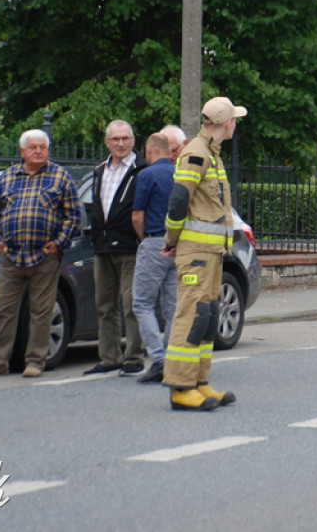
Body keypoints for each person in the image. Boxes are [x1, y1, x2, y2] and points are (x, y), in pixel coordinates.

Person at [0, 129, 80, 378]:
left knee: (41, 311)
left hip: (44, 256)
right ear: (22, 151)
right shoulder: (8, 176)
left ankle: (35, 361)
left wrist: (58, 243)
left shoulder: (61, 176)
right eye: (33, 147)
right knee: (3, 311)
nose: (38, 151)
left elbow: (73, 216)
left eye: (42, 147)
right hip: (11, 255)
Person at [162, 96, 246, 411]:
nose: (235, 124)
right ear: (226, 123)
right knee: (192, 317)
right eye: (234, 119)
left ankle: (199, 382)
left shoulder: (211, 153)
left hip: (210, 252)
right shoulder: (197, 153)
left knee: (208, 317)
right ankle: (181, 388)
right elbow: (178, 201)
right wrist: (172, 239)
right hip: (196, 253)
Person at [85, 120, 147, 376]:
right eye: (115, 139)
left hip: (131, 246)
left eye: (125, 138)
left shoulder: (141, 169)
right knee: (104, 305)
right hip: (103, 246)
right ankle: (109, 357)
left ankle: (134, 357)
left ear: (133, 140)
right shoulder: (100, 170)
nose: (120, 144)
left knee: (132, 305)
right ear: (107, 142)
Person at [130, 133, 177, 384]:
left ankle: (158, 359)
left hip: (155, 241)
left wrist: (144, 239)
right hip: (179, 244)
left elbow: (137, 216)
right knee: (172, 306)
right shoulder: (180, 174)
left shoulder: (146, 175)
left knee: (142, 303)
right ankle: (172, 357)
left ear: (149, 150)